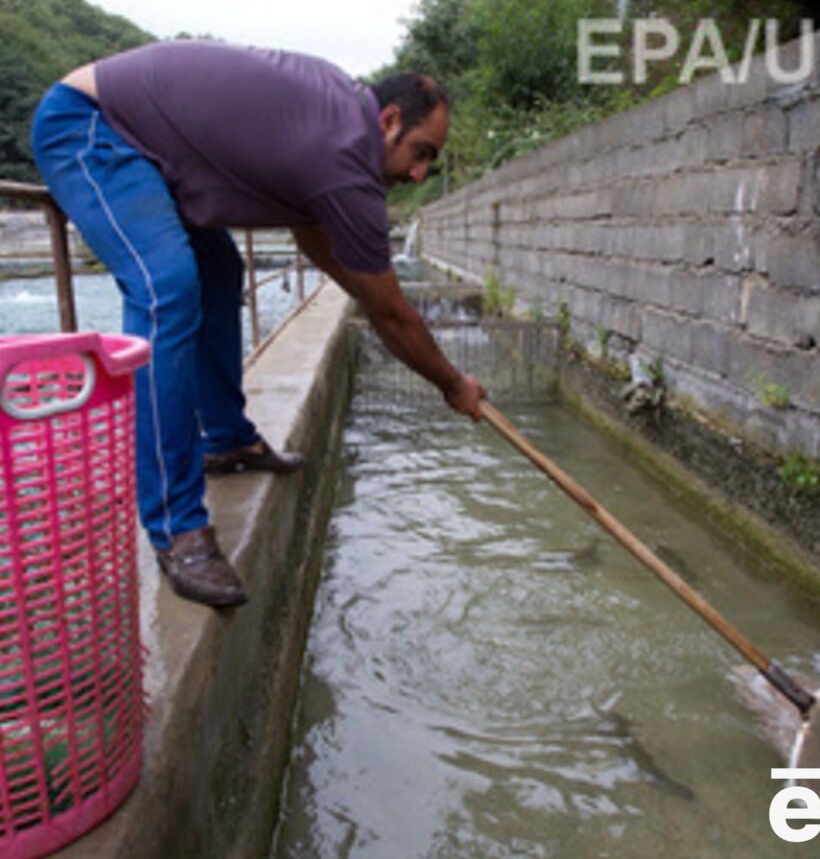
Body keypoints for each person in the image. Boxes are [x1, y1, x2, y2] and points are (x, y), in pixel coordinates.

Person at [31, 41, 485, 609]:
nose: (421, 173)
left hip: (158, 149)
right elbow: (391, 312)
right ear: (388, 121)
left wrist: (375, 300)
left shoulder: (335, 123)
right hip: (93, 126)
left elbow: (320, 245)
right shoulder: (346, 156)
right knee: (165, 288)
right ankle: (176, 526)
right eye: (421, 152)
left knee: (220, 271)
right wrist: (451, 383)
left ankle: (225, 440)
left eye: (431, 163)